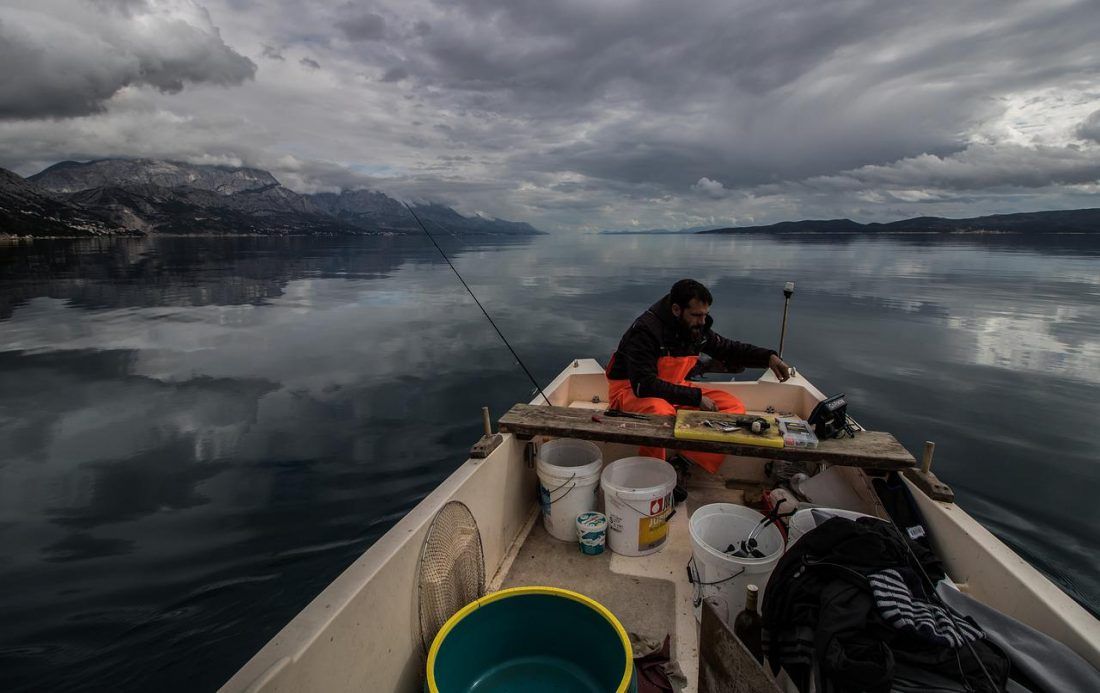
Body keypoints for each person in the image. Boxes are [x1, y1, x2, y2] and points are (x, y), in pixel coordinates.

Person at [605, 279, 791, 478]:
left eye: (705, 315)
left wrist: (768, 357)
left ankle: (684, 462)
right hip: (631, 392)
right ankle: (652, 474)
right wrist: (694, 397)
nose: (702, 322)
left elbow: (728, 349)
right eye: (696, 315)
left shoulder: (695, 329)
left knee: (733, 408)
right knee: (660, 412)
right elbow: (644, 385)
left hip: (675, 388)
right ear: (676, 309)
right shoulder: (645, 331)